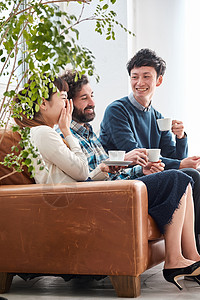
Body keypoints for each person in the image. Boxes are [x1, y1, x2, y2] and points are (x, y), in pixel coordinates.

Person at [57, 70, 200, 289]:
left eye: (92, 95)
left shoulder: (88, 132)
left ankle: (191, 256)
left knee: (185, 178)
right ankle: (174, 260)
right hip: (111, 194)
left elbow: (117, 169)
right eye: (84, 98)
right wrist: (133, 163)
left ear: (158, 80)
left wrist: (144, 170)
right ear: (67, 104)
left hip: (123, 183)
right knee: (179, 177)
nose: (93, 102)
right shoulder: (67, 136)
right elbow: (89, 175)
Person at [99, 48, 200, 252]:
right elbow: (135, 154)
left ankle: (194, 251)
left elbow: (172, 157)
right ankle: (192, 254)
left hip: (150, 177)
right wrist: (181, 164)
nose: (140, 83)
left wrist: (180, 137)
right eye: (135, 77)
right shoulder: (116, 111)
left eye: (146, 76)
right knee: (190, 174)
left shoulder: (157, 117)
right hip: (126, 179)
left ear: (159, 80)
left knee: (193, 174)